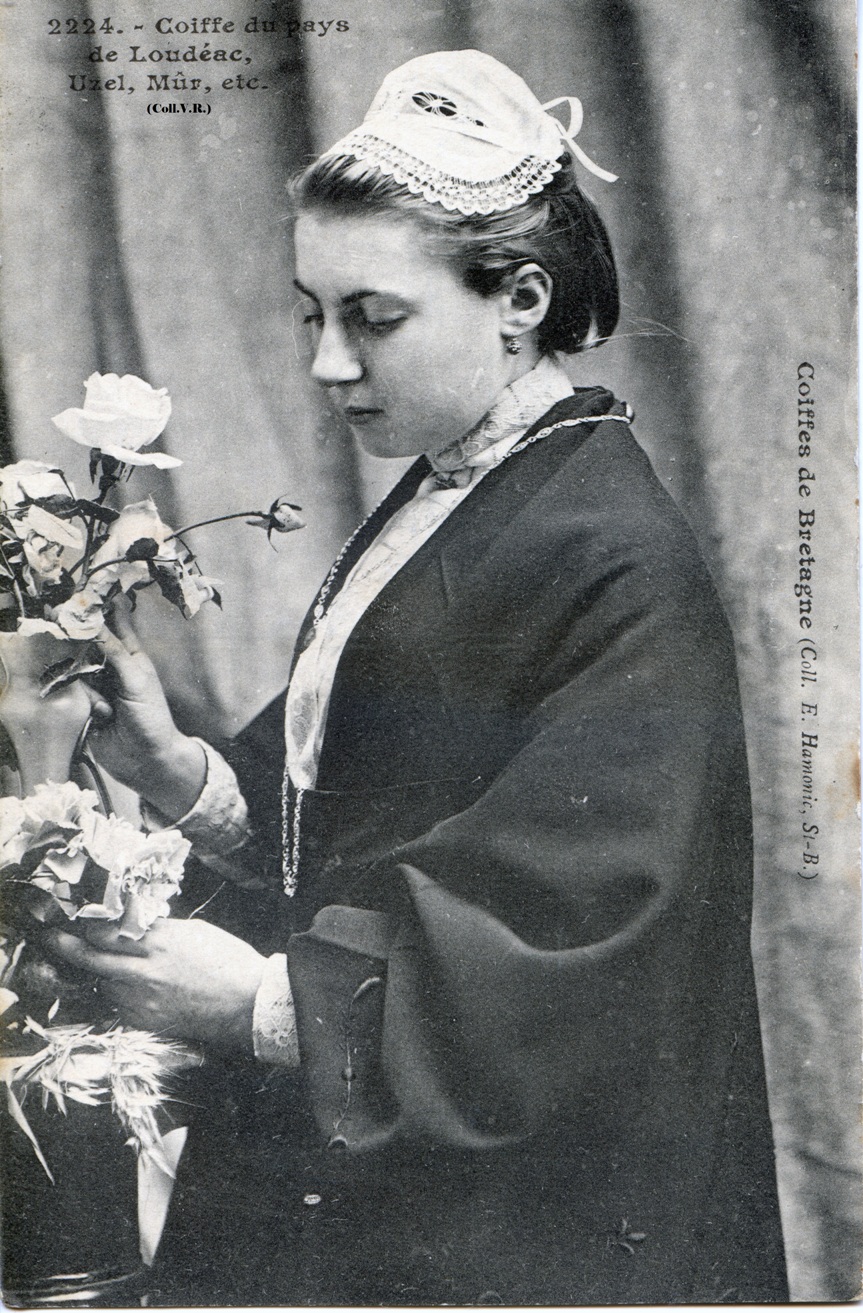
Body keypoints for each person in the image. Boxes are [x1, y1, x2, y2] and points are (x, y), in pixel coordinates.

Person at [52, 50, 788, 1306]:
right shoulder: (469, 488)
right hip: (383, 1161)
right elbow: (369, 806)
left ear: (519, 299)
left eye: (373, 318)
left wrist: (262, 1005)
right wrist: (179, 772)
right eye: (311, 313)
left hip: (521, 1215)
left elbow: (576, 936)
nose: (327, 362)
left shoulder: (612, 555)